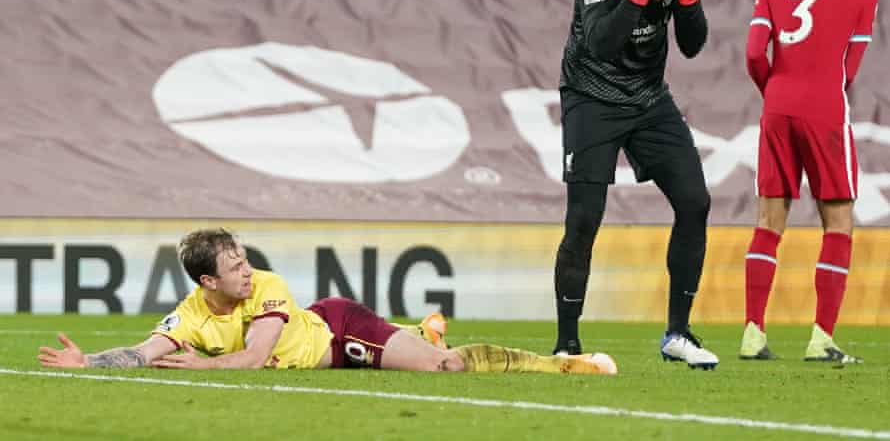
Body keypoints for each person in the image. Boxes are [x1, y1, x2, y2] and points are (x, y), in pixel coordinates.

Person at [38, 228, 617, 376]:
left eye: (243, 258)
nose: (246, 269)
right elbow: (146, 350)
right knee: (431, 354)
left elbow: (257, 357)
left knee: (449, 367)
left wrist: (208, 364)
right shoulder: (191, 314)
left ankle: (565, 363)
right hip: (328, 350)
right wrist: (88, 361)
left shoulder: (266, 287)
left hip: (339, 331)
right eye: (233, 266)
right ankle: (425, 332)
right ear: (205, 283)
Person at [552, 0, 717, 369]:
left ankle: (677, 335)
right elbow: (601, 44)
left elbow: (692, 44)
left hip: (648, 100)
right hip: (591, 98)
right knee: (584, 219)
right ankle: (567, 343)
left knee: (695, 202)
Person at [740, 0, 877, 363]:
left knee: (767, 222)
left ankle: (753, 333)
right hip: (824, 108)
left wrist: (775, 91)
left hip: (777, 106)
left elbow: (755, 53)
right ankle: (821, 338)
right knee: (837, 222)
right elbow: (850, 68)